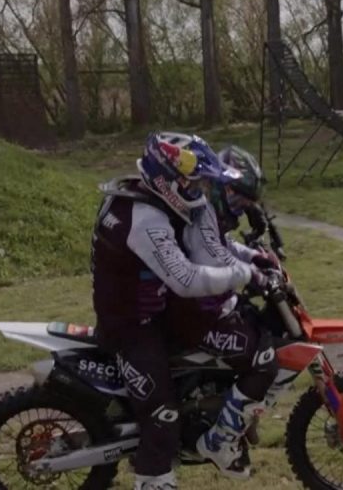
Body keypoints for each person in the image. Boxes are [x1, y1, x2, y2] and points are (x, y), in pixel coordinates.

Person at [91, 132, 270, 490]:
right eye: (194, 183)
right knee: (162, 416)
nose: (200, 191)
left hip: (156, 314)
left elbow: (209, 247)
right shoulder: (144, 219)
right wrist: (245, 274)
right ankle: (153, 480)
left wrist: (251, 258)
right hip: (130, 327)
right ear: (167, 178)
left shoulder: (156, 200)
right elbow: (186, 279)